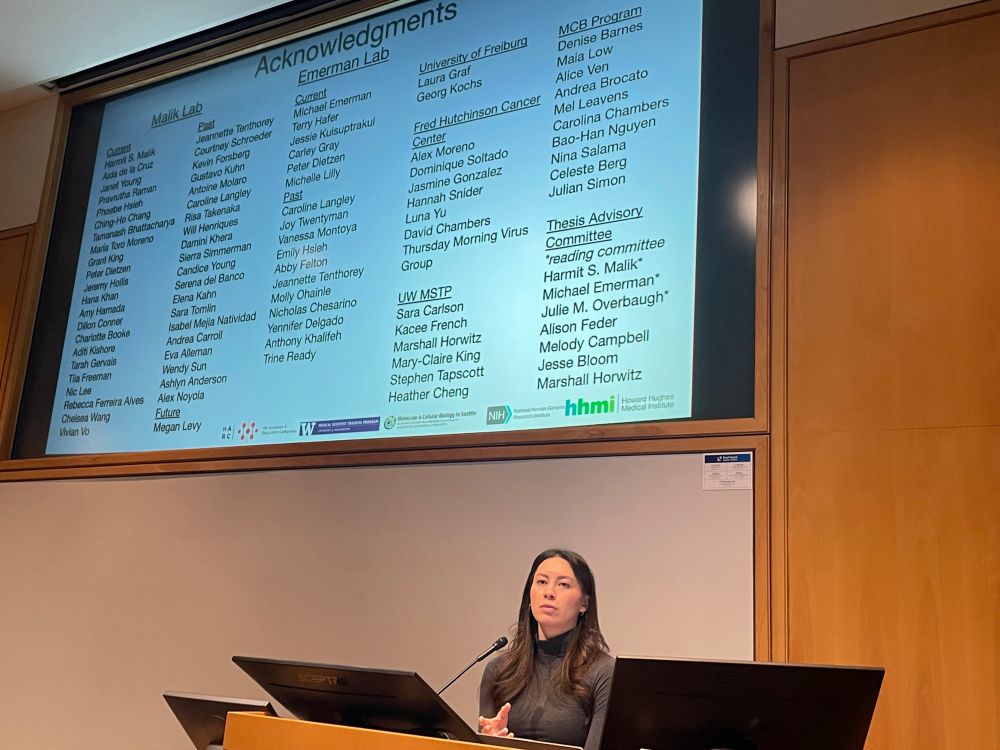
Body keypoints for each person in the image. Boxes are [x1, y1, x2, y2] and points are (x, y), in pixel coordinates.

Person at [478, 549, 613, 750]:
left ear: (584, 603)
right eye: (541, 582)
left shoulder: (604, 672)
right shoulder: (498, 670)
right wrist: (490, 742)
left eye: (563, 584)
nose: (549, 592)